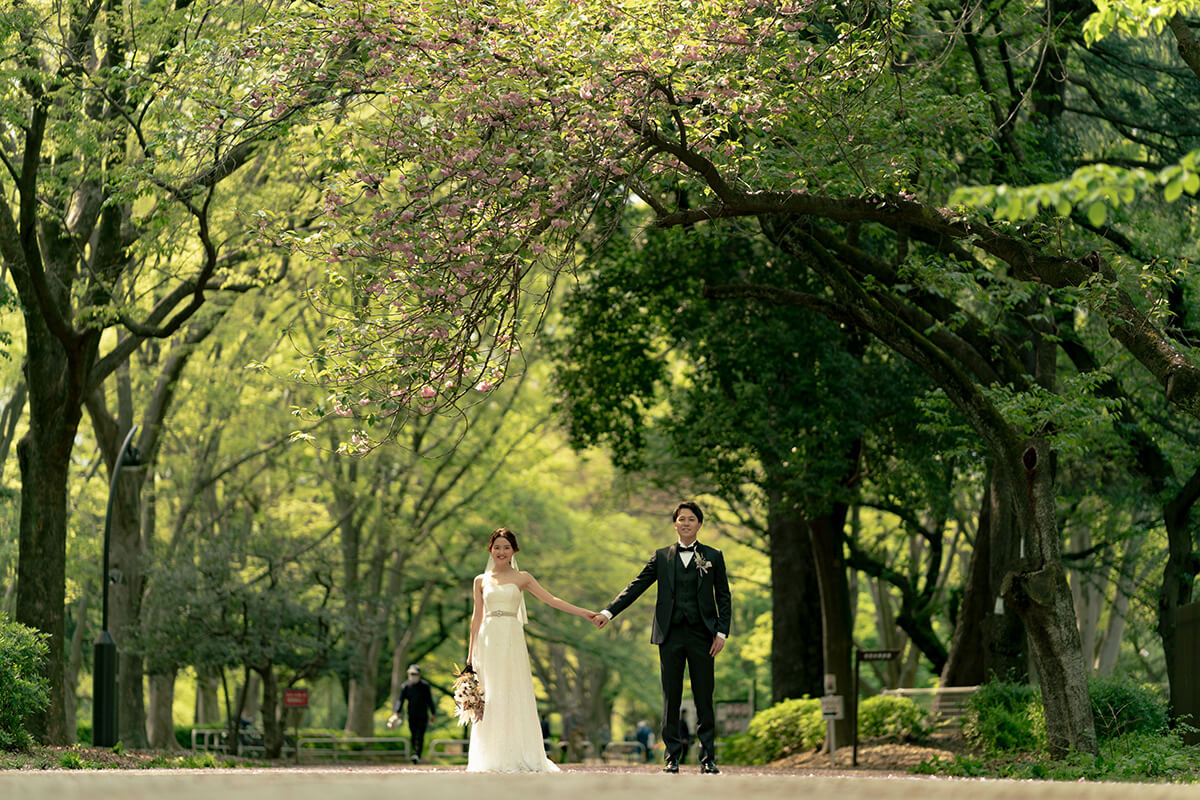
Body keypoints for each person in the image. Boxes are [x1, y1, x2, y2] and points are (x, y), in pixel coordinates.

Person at [595, 501, 731, 774]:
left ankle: (708, 759)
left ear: (699, 524)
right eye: (681, 519)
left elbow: (723, 596)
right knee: (671, 696)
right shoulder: (661, 556)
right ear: (674, 524)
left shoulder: (713, 556)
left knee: (704, 696)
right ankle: (672, 758)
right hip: (669, 635)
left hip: (703, 634)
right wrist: (609, 612)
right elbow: (636, 586)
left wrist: (721, 632)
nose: (686, 523)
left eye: (691, 519)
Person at [466, 528, 601, 772]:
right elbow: (476, 618)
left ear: (514, 551)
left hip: (511, 636)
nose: (501, 551)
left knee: (513, 691)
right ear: (490, 549)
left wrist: (585, 613)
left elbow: (552, 600)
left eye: (506, 547)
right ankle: (490, 757)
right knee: (491, 695)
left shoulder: (522, 578)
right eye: (497, 546)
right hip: (488, 639)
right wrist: (469, 655)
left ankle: (518, 753)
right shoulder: (480, 580)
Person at [388, 664, 436, 763]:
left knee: (420, 735)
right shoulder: (405, 686)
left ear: (419, 674)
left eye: (415, 674)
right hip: (411, 714)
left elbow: (429, 700)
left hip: (423, 715)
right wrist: (396, 712)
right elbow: (400, 700)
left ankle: (417, 754)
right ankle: (415, 753)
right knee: (414, 734)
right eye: (411, 674)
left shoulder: (425, 686)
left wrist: (433, 713)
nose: (413, 676)